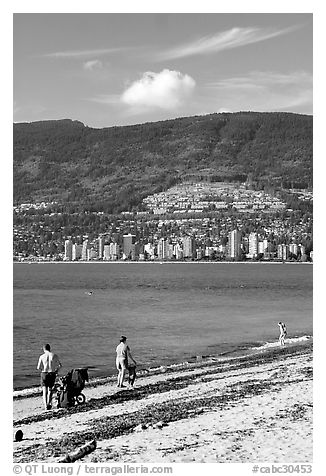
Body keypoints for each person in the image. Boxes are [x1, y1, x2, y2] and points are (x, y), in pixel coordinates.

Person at [37, 343, 62, 410]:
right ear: (49, 348)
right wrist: (56, 371)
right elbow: (60, 365)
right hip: (52, 373)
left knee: (44, 390)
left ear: (43, 349)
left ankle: (45, 405)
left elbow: (38, 367)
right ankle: (48, 403)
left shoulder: (42, 356)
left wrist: (42, 370)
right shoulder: (54, 355)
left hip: (44, 373)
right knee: (50, 390)